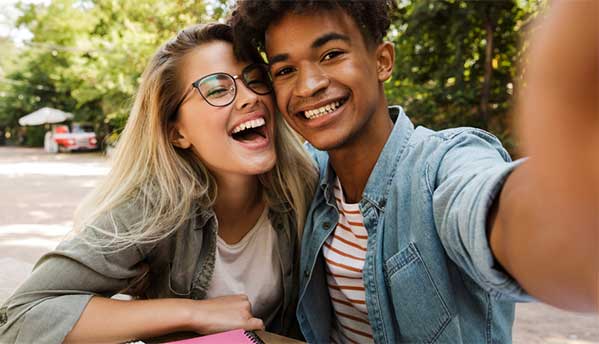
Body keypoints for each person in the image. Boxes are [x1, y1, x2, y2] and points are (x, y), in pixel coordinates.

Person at [230, 1, 598, 343]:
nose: (309, 85)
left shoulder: (443, 163)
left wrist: (569, 225)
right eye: (285, 70)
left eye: (331, 54)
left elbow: (493, 210)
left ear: (382, 61)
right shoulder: (307, 176)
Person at [0, 23, 317, 344]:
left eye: (256, 79)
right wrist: (192, 312)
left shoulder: (307, 188)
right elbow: (23, 315)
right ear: (176, 133)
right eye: (218, 89)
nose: (249, 97)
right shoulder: (153, 207)